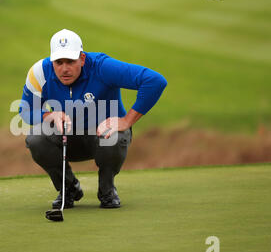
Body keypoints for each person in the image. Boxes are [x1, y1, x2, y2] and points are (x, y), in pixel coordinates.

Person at [18, 29, 167, 209]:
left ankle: (107, 191)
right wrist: (50, 115)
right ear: (52, 61)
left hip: (102, 138)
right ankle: (68, 189)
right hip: (67, 139)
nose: (64, 69)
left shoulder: (102, 67)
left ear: (82, 58)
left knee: (115, 136)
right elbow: (25, 110)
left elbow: (154, 81)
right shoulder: (39, 73)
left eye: (70, 62)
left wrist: (127, 120)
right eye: (59, 62)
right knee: (35, 138)